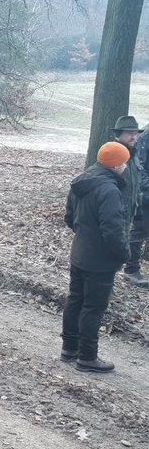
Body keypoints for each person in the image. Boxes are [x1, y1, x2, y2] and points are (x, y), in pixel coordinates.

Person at [61, 142, 132, 373]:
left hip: (80, 252)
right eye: (124, 162)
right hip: (100, 260)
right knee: (93, 307)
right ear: (116, 164)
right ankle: (88, 357)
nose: (126, 166)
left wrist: (85, 236)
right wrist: (124, 254)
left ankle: (69, 348)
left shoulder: (82, 181)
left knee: (75, 300)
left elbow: (70, 218)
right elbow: (112, 230)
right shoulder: (109, 190)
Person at [111, 117, 149, 287]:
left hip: (137, 198)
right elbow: (138, 171)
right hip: (130, 200)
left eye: (135, 133)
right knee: (135, 233)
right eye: (130, 133)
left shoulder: (136, 147)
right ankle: (130, 270)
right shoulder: (117, 152)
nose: (133, 137)